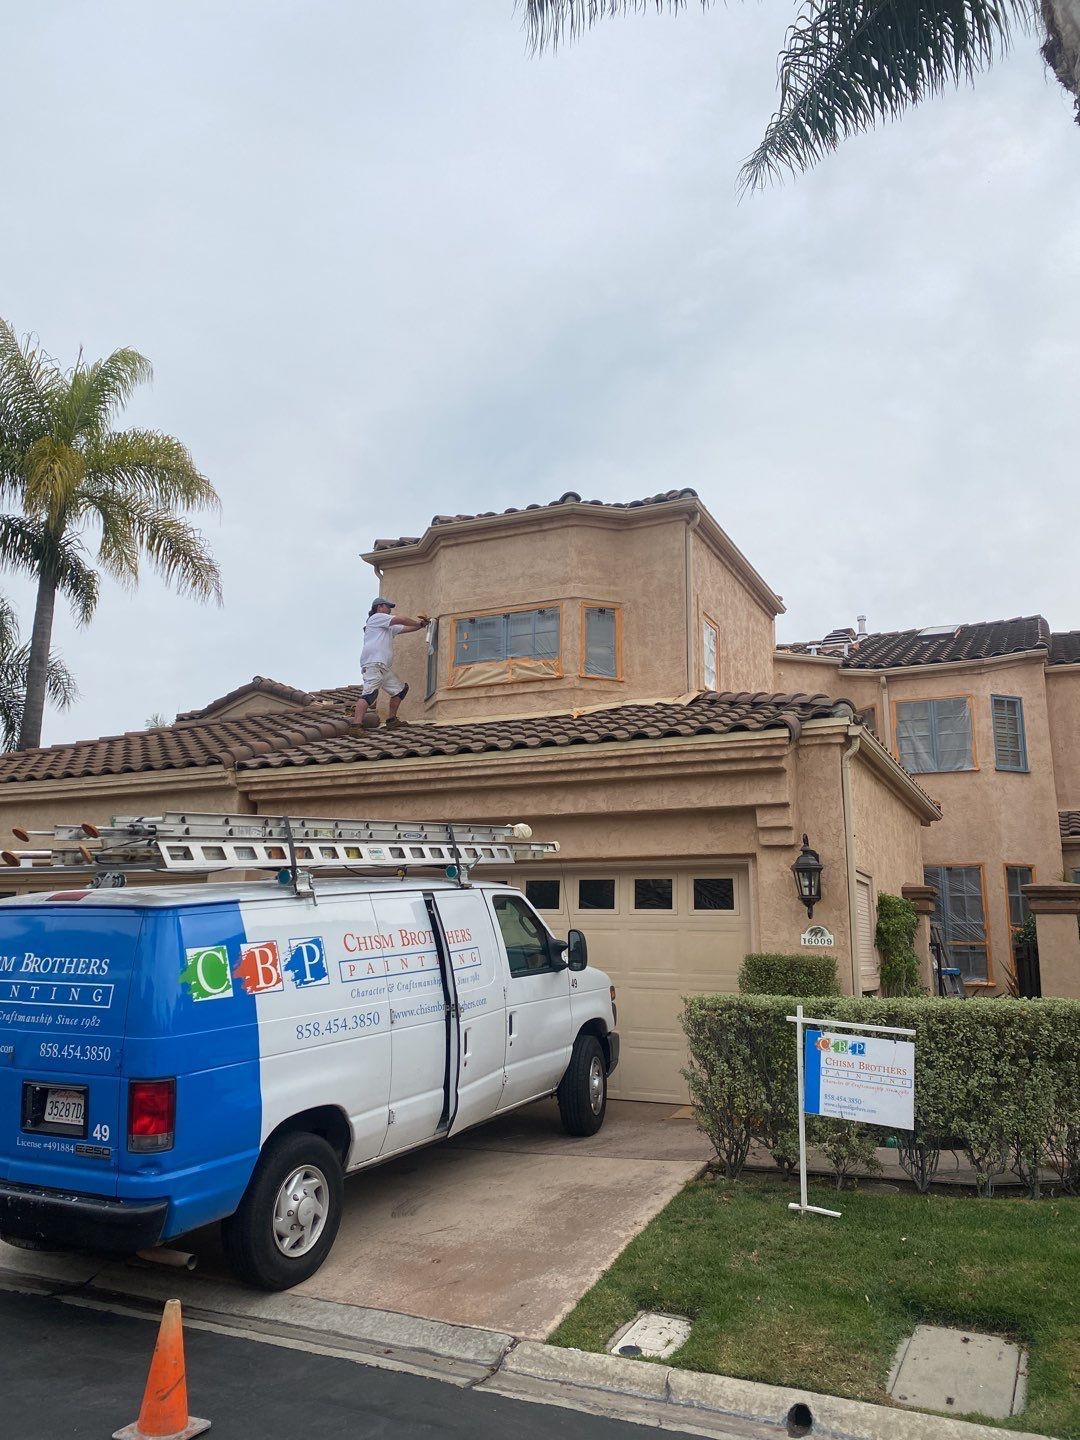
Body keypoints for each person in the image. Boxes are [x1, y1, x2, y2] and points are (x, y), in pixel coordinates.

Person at [354, 598, 429, 729]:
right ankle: (355, 726)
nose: (389, 610)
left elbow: (407, 628)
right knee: (369, 694)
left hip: (382, 667)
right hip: (373, 664)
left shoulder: (387, 628)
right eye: (388, 607)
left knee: (400, 690)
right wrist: (417, 622)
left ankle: (392, 720)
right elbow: (402, 620)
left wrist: (421, 625)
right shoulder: (376, 618)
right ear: (379, 607)